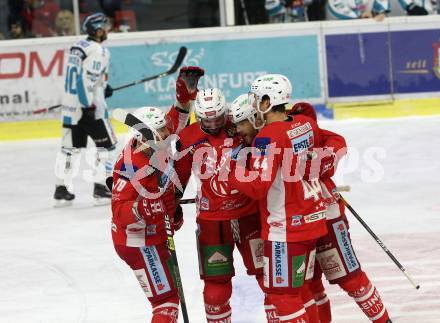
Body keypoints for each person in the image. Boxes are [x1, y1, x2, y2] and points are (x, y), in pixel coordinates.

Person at [228, 74, 329, 323]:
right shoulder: (304, 124)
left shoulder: (267, 137)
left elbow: (258, 187)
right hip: (312, 220)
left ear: (266, 101)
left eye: (255, 99)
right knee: (299, 291)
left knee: (281, 296)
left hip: (286, 229)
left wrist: (232, 172)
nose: (252, 105)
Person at [111, 66, 204, 323]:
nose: (167, 132)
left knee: (168, 299)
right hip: (139, 241)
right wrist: (144, 210)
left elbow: (178, 118)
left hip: (154, 233)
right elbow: (119, 212)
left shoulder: (153, 139)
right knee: (166, 303)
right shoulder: (132, 165)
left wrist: (186, 94)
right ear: (148, 135)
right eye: (162, 130)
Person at [288, 102, 392, 323]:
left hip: (327, 215)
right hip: (296, 224)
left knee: (351, 279)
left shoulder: (308, 129)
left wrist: (318, 160)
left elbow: (337, 143)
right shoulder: (273, 135)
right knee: (308, 286)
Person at [174, 88, 267, 323]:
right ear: (199, 116)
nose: (213, 124)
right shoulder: (188, 137)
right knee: (216, 286)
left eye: (218, 118)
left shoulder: (238, 124)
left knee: (268, 277)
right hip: (212, 222)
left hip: (249, 215)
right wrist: (170, 206)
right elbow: (179, 177)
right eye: (207, 120)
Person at [53, 13, 116, 207]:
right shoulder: (99, 51)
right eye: (104, 27)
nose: (107, 31)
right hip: (89, 109)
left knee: (69, 149)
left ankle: (61, 188)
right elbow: (85, 80)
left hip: (71, 108)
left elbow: (81, 76)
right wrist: (89, 105)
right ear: (97, 30)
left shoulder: (78, 46)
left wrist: (103, 87)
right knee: (109, 146)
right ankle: (102, 186)